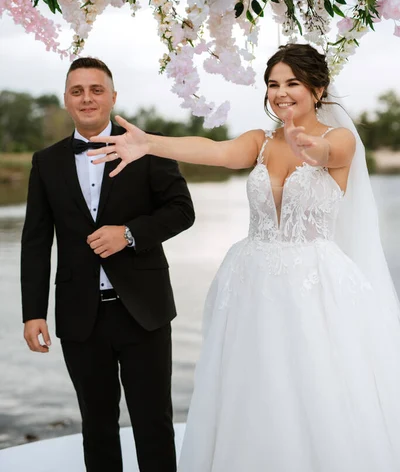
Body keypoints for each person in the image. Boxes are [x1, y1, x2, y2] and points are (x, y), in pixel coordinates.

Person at [89, 43, 400, 471]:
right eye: (273, 84)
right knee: (252, 389)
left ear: (318, 88)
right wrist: (148, 145)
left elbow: (328, 156)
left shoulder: (340, 141)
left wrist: (308, 145)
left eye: (292, 83)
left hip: (315, 286)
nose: (281, 93)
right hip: (253, 286)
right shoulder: (259, 141)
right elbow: (213, 150)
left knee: (316, 386)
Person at [21, 57, 195, 472]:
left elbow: (181, 210)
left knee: (153, 424)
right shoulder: (46, 163)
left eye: (96, 90)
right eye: (77, 91)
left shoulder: (147, 146)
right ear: (66, 100)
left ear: (113, 97)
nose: (87, 98)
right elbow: (35, 240)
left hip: (144, 311)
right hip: (81, 317)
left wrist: (130, 234)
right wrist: (33, 313)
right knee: (96, 427)